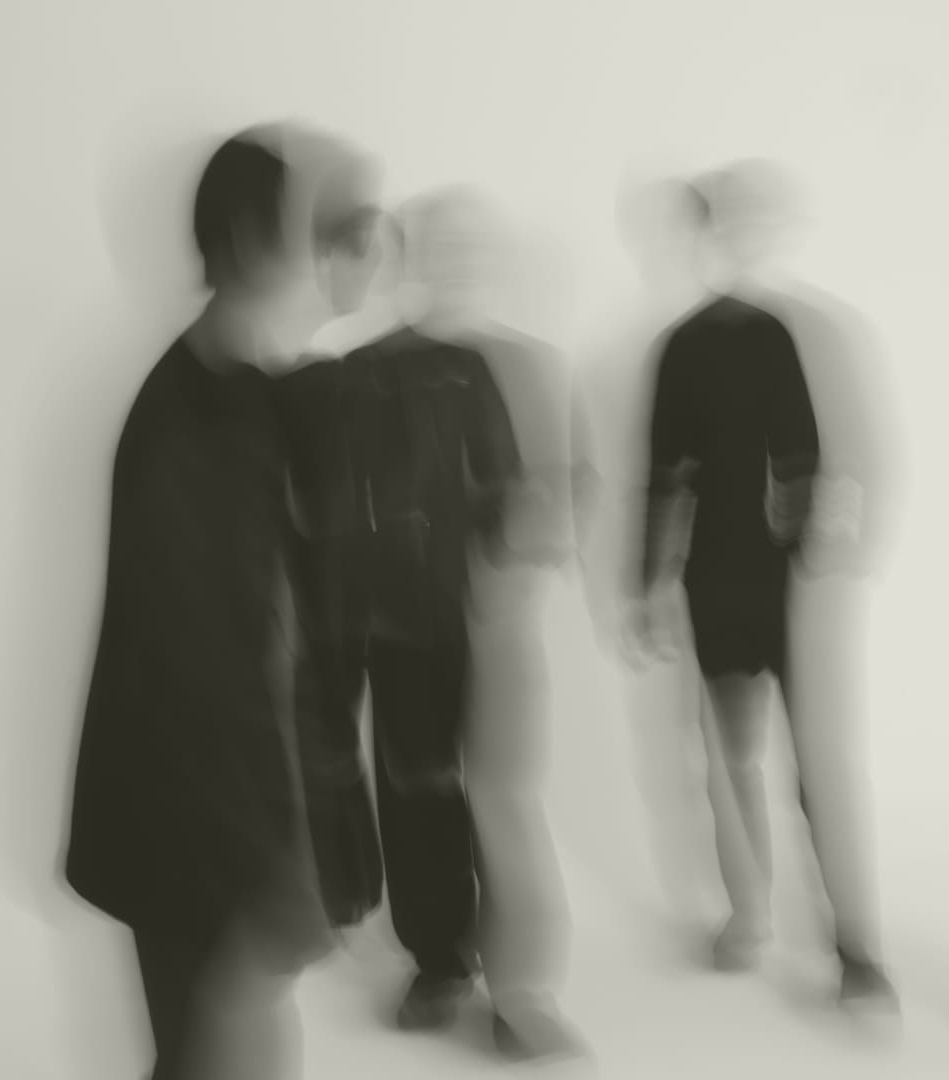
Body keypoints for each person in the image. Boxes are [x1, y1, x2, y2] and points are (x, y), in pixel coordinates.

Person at [61, 121, 384, 1080]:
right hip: (208, 841)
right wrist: (279, 873)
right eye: (326, 226)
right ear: (251, 244)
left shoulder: (256, 398)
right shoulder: (196, 425)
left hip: (230, 835)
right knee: (219, 1051)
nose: (356, 246)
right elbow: (219, 663)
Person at [628, 170, 896, 1012]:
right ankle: (747, 913)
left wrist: (837, 553)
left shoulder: (818, 331)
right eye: (729, 214)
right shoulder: (682, 343)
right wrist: (649, 581)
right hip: (717, 574)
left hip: (799, 583)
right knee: (727, 756)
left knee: (820, 762)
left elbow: (857, 455)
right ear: (707, 227)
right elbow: (663, 472)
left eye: (759, 213)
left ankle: (855, 946)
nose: (744, 229)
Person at [302, 210, 529, 1038]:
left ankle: (450, 958)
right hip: (336, 612)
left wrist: (486, 574)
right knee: (343, 768)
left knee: (426, 783)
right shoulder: (329, 372)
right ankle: (367, 917)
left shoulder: (461, 369)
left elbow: (501, 486)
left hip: (428, 615)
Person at [386, 186, 588, 1060]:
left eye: (473, 243)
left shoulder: (535, 366)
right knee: (415, 790)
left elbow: (569, 486)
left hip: (500, 625)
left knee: (505, 796)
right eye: (440, 241)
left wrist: (511, 568)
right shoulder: (368, 370)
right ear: (411, 254)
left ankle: (524, 991)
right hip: (397, 623)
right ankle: (438, 960)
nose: (457, 257)